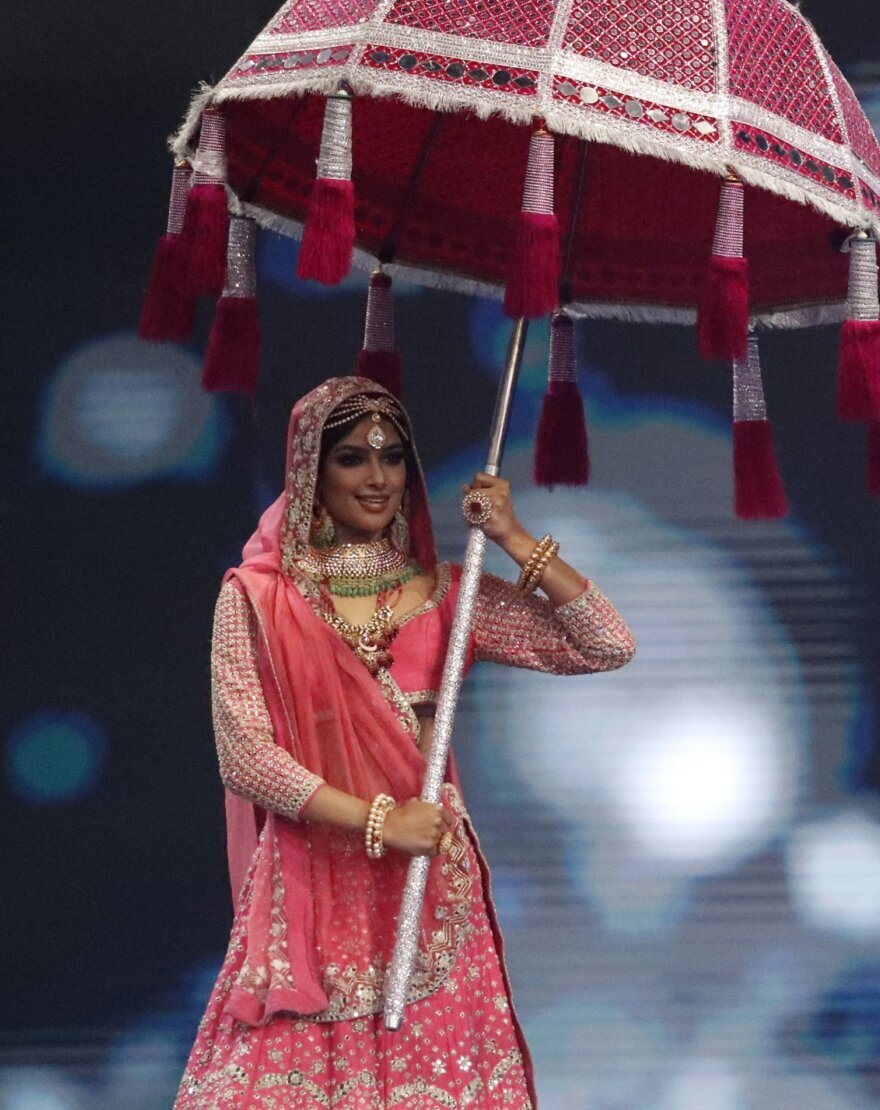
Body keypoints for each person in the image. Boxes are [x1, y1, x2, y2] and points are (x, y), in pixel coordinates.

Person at [177, 376, 634, 1108]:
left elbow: (605, 644)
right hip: (311, 885)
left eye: (392, 457)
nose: (378, 478)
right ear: (310, 469)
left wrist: (513, 537)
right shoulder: (259, 599)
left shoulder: (447, 595)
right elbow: (246, 759)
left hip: (426, 886)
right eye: (352, 458)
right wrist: (380, 822)